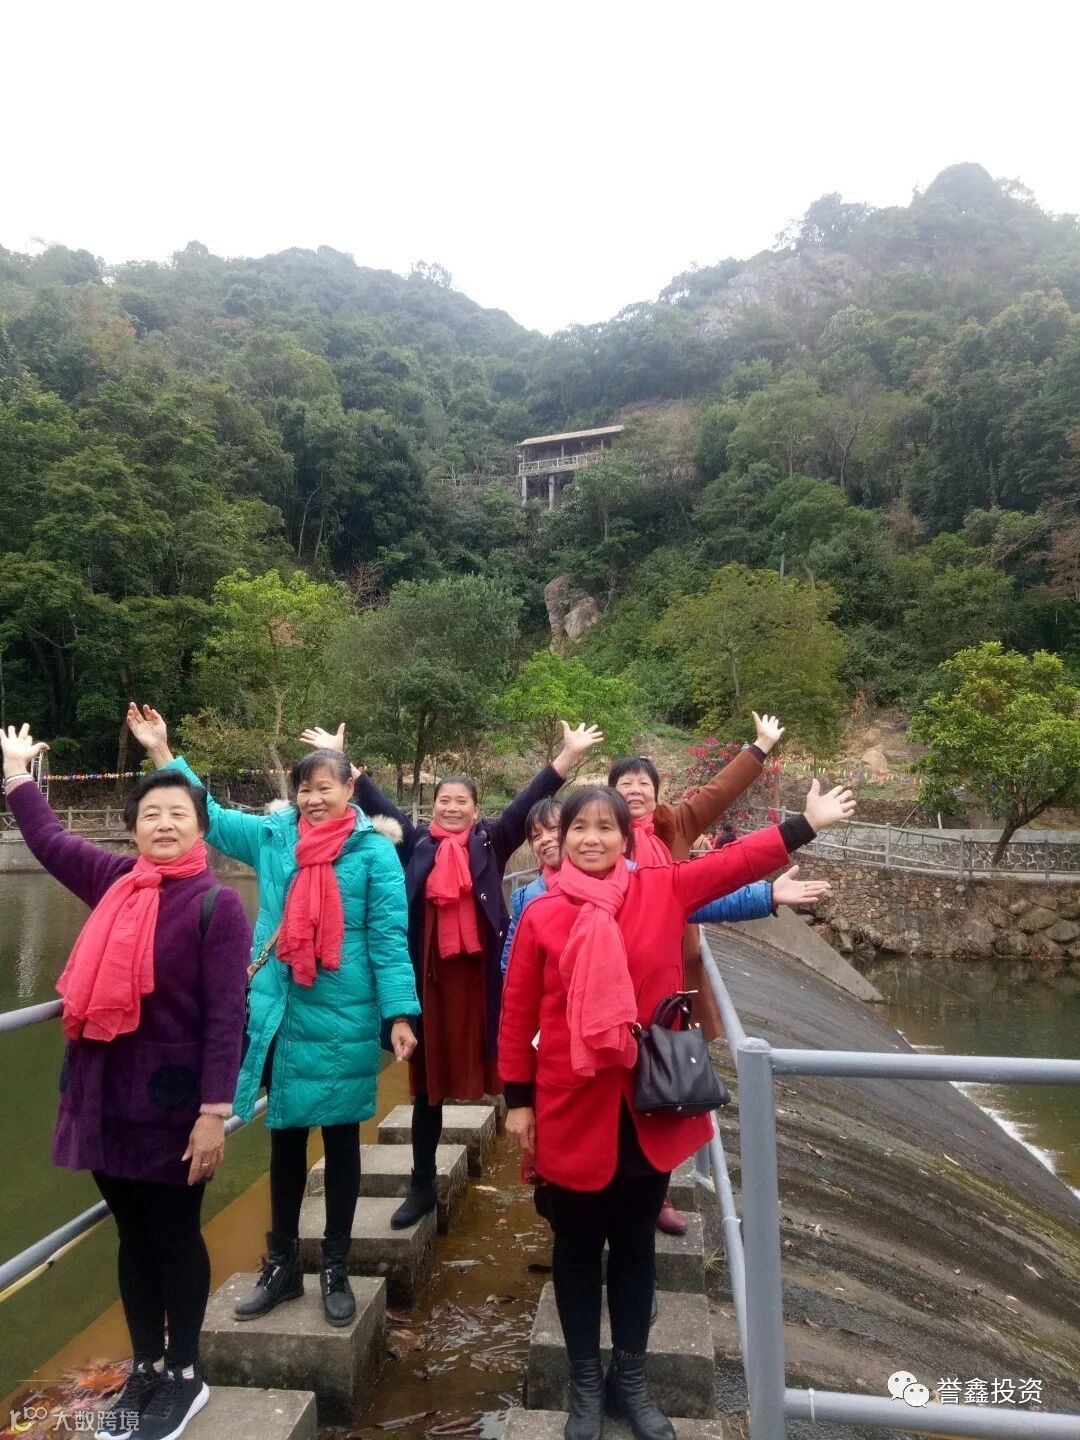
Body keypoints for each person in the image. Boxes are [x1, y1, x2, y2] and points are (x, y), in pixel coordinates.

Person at [499, 779, 854, 1440]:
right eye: (580, 828)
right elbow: (517, 1012)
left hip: (648, 1103)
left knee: (635, 1246)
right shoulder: (542, 912)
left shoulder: (660, 890)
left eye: (606, 827)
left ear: (626, 837)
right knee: (576, 1250)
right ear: (562, 838)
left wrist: (803, 825)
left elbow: (732, 865)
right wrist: (518, 1101)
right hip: (570, 1104)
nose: (593, 839)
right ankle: (585, 1386)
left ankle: (631, 1382)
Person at [126, 704, 419, 1329]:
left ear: (350, 787)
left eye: (325, 788)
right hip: (280, 1009)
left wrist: (399, 1014)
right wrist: (162, 752)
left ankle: (335, 1266)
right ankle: (282, 1265)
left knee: (341, 1142)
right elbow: (210, 816)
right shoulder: (275, 836)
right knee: (283, 1137)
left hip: (344, 1014)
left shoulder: (374, 852)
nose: (314, 799)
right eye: (305, 789)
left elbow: (390, 938)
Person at [2, 723, 251, 1440]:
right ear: (134, 827)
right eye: (151, 814)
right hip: (102, 1097)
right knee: (131, 1236)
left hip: (174, 1107)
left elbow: (227, 1018)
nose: (164, 824)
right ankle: (143, 1368)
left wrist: (215, 1112)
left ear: (199, 826)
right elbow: (51, 842)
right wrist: (16, 775)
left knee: (173, 1234)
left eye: (178, 813)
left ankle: (184, 1375)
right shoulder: (116, 882)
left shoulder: (217, 905)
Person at [298, 720, 604, 1228]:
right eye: (445, 800)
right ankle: (422, 1186)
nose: (453, 807)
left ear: (477, 810)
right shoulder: (416, 843)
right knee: (426, 1089)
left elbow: (530, 799)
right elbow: (376, 803)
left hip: (486, 987)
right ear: (434, 807)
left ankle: (557, 1181)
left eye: (462, 801)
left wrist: (568, 756)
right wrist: (341, 759)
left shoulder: (492, 843)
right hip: (431, 987)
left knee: (521, 1077)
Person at [608, 712, 782, 1234]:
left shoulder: (676, 826)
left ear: (657, 791)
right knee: (614, 1090)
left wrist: (759, 747)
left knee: (667, 1088)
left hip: (674, 983)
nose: (635, 791)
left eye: (643, 783)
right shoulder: (601, 835)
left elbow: (719, 793)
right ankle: (608, 1188)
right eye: (625, 783)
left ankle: (656, 1195)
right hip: (614, 980)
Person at [501, 797, 831, 974]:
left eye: (555, 829)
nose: (546, 840)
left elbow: (718, 876)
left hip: (638, 1036)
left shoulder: (645, 881)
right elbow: (513, 973)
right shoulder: (529, 899)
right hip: (559, 1044)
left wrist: (768, 893)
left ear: (622, 839)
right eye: (536, 835)